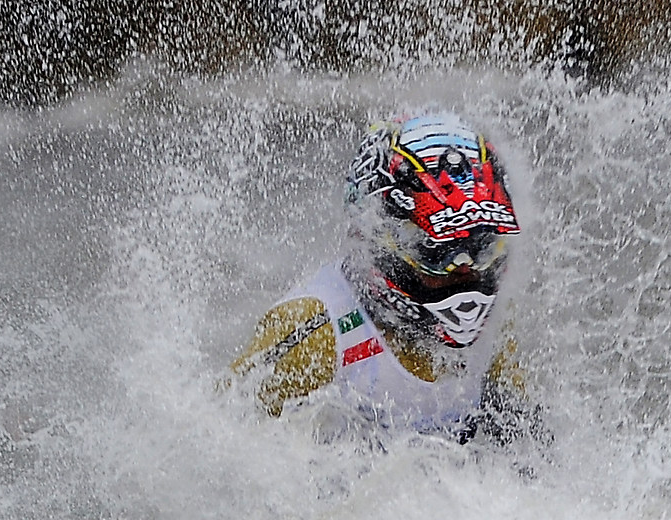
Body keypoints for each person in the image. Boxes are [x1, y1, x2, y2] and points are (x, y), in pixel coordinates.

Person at [232, 112, 542, 448]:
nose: (463, 270)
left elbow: (527, 450)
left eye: (481, 245)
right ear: (382, 242)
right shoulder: (314, 334)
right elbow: (221, 450)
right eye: (437, 249)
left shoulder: (493, 328)